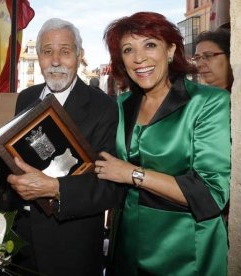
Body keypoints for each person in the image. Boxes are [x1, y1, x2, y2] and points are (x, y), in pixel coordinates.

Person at [95, 12, 230, 275]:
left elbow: (211, 193)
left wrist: (131, 173)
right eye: (128, 49)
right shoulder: (123, 105)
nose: (139, 58)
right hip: (128, 246)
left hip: (186, 250)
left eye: (150, 45)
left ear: (170, 50)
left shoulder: (208, 103)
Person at [4, 18, 123, 275]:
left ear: (79, 56)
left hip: (70, 247)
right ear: (38, 56)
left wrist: (56, 189)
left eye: (65, 51)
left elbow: (110, 188)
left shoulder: (104, 108)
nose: (55, 60)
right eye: (47, 52)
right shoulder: (25, 98)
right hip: (20, 244)